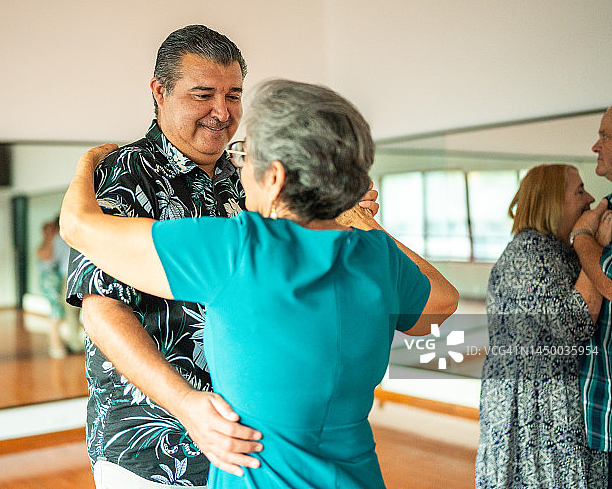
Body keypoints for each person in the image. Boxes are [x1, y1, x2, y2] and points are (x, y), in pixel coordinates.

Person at [60, 78, 459, 488]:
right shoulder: (376, 256)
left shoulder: (240, 250)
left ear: (275, 178)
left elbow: (77, 226)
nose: (238, 166)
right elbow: (440, 306)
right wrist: (357, 218)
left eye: (245, 156)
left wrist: (88, 163)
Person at [475, 164, 607, 487]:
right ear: (552, 201)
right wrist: (596, 243)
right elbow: (575, 325)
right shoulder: (529, 254)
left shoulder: (555, 251)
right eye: (579, 191)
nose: (590, 198)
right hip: (531, 412)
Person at [572, 105, 612, 484]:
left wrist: (583, 238)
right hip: (598, 420)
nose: (595, 146)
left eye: (605, 136)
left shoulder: (589, 229)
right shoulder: (607, 208)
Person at [37, 216, 72, 358]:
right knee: (56, 312)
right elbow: (50, 257)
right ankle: (55, 345)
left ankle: (56, 343)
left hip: (54, 280)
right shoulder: (47, 244)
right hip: (49, 282)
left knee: (57, 312)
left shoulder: (52, 242)